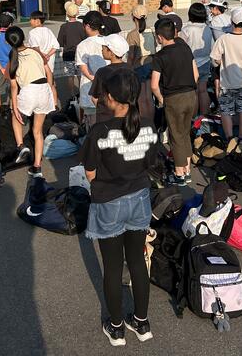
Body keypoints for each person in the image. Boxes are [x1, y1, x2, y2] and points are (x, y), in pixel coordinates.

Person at [81, 68, 157, 347]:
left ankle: (116, 328)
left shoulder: (99, 131)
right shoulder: (148, 126)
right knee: (137, 261)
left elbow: (90, 171)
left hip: (109, 201)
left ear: (111, 98)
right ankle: (142, 322)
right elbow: (150, 163)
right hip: (139, 198)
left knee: (112, 267)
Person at [151, 18, 198, 186]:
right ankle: (188, 169)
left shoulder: (160, 56)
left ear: (159, 37)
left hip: (173, 98)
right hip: (190, 95)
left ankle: (180, 174)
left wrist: (162, 99)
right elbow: (196, 75)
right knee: (185, 133)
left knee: (175, 136)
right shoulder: (185, 49)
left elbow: (154, 85)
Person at [6, 26, 58, 178]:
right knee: (37, 131)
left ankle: (21, 146)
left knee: (16, 118)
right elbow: (49, 72)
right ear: (23, 38)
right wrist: (50, 89)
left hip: (28, 91)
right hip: (43, 90)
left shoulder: (13, 57)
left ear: (8, 43)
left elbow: (14, 87)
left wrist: (15, 107)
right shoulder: (35, 52)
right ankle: (37, 167)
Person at [210, 8, 242, 140]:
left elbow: (215, 59)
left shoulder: (224, 39)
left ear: (231, 21)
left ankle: (229, 138)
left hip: (227, 82)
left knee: (226, 111)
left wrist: (223, 62)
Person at [179, 2, 213, 115]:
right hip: (205, 62)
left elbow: (181, 48)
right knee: (203, 90)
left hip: (191, 64)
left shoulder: (186, 29)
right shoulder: (207, 28)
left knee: (193, 91)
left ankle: (193, 117)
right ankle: (204, 116)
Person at [76, 11, 108, 128]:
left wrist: (94, 79)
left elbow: (83, 67)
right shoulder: (108, 41)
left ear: (88, 26)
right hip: (109, 90)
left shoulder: (83, 45)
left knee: (93, 126)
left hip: (90, 90)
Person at [90, 34, 131, 124]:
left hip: (106, 118)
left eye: (104, 48)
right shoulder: (131, 69)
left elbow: (94, 98)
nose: (102, 50)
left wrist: (103, 110)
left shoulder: (102, 72)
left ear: (111, 53)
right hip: (128, 116)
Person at [58, 2, 86, 78]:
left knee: (70, 76)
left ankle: (72, 87)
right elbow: (85, 39)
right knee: (80, 75)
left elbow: (60, 42)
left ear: (67, 14)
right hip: (80, 54)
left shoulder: (64, 26)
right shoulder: (81, 25)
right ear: (77, 13)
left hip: (68, 54)